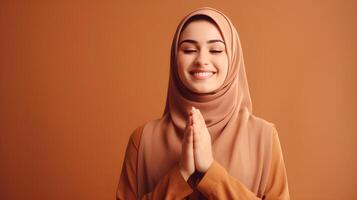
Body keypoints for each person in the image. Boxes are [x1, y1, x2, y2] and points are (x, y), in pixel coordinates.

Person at [116, 7, 290, 200]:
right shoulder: (143, 141)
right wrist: (180, 174)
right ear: (175, 58)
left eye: (215, 50)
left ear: (232, 58)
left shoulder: (264, 138)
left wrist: (211, 172)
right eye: (189, 50)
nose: (201, 60)